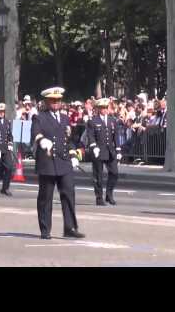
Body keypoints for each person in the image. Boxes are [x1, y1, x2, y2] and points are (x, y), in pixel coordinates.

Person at [31, 87, 85, 240]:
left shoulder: (65, 118)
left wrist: (74, 154)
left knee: (69, 194)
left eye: (58, 100)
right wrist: (42, 140)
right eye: (53, 100)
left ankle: (70, 227)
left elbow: (69, 141)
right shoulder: (39, 117)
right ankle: (45, 229)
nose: (56, 103)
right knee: (45, 197)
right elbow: (35, 133)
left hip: (63, 161)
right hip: (47, 162)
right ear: (47, 101)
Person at [85, 98, 122, 206]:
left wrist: (118, 149)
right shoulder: (93, 121)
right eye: (102, 108)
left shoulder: (112, 120)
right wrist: (94, 146)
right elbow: (90, 136)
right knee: (98, 176)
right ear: (98, 109)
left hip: (110, 151)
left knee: (114, 173)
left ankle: (109, 194)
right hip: (98, 151)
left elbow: (116, 136)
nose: (105, 110)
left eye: (106, 108)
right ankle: (99, 197)